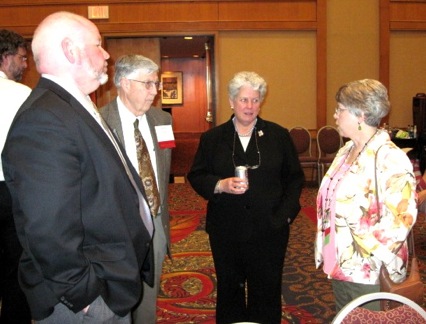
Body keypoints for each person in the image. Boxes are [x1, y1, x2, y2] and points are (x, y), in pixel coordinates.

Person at [1, 11, 154, 323]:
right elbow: (47, 229)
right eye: (98, 45)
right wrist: (89, 299)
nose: (106, 54)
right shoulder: (44, 119)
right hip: (83, 302)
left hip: (105, 277)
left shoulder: (73, 105)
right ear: (71, 50)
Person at [187, 71, 304, 323]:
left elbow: (294, 179)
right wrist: (220, 184)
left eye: (255, 100)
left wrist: (284, 217)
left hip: (269, 228)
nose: (249, 106)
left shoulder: (278, 135)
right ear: (231, 101)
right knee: (230, 289)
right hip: (226, 228)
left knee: (267, 289)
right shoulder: (213, 138)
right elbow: (196, 175)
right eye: (243, 100)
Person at [315, 79, 417, 312]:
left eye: (339, 110)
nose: (334, 115)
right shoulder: (346, 150)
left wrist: (368, 254)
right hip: (340, 263)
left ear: (360, 114)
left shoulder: (389, 157)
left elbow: (402, 218)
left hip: (369, 271)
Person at [100, 54, 173, 324]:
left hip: (155, 223)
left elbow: (163, 170)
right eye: (148, 84)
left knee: (148, 300)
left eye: (156, 84)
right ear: (125, 83)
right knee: (117, 297)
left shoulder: (163, 120)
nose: (155, 92)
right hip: (116, 227)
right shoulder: (99, 121)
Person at [0, 29, 32, 324]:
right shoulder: (23, 96)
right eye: (22, 58)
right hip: (10, 192)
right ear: (6, 56)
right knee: (15, 271)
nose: (26, 65)